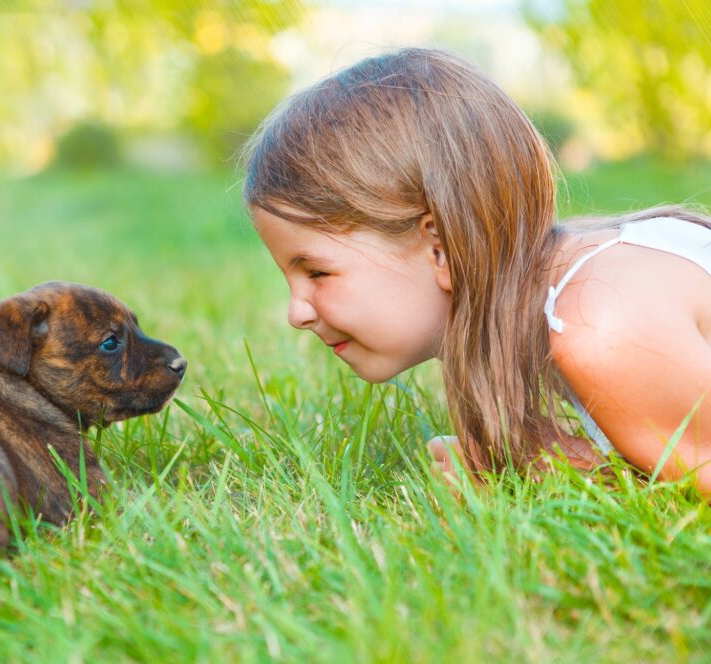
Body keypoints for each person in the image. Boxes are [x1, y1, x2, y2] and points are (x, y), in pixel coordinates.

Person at [242, 47, 711, 491]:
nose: (296, 313)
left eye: (317, 272)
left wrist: (564, 471)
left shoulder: (604, 328)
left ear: (440, 248)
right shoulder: (572, 289)